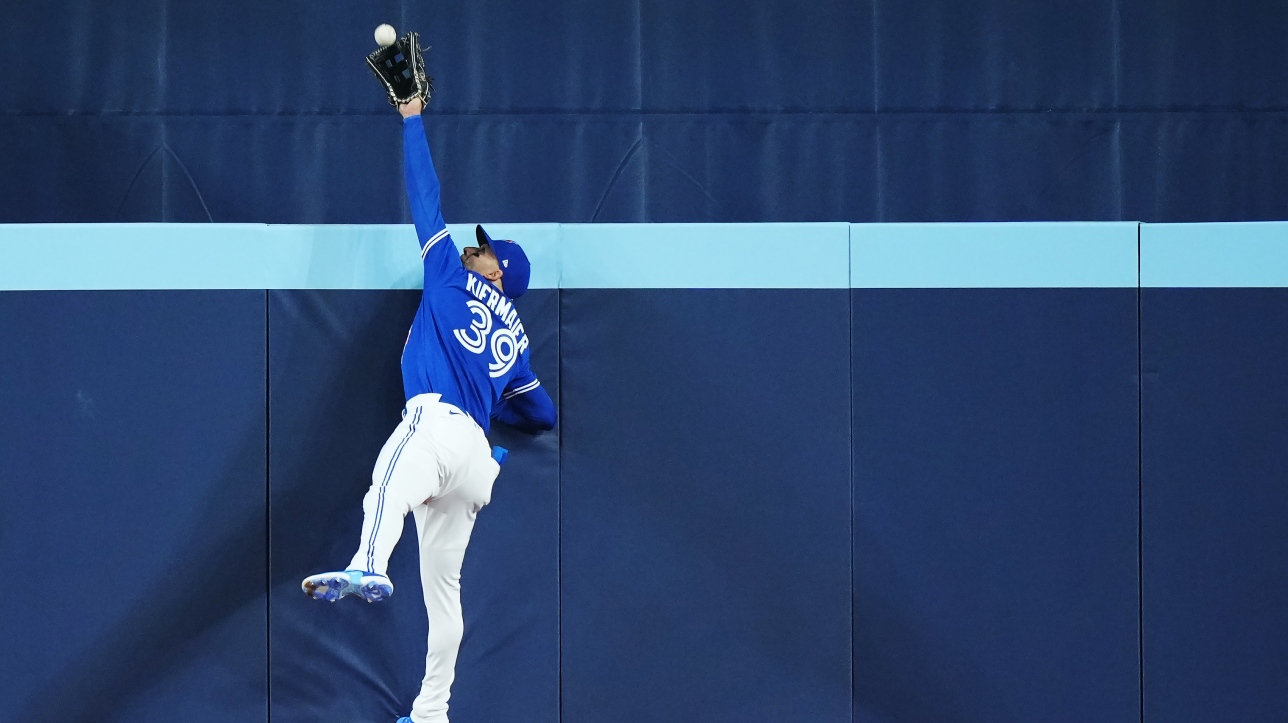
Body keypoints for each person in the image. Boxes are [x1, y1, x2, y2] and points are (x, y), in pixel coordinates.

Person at [301, 95, 557, 723]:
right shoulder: (518, 344)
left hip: (437, 424)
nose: (476, 248)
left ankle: (367, 564)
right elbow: (543, 414)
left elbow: (426, 198)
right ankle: (432, 712)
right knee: (446, 595)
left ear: (498, 273)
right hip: (476, 461)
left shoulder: (450, 272)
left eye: (486, 250)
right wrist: (504, 408)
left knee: (385, 482)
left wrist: (412, 117)